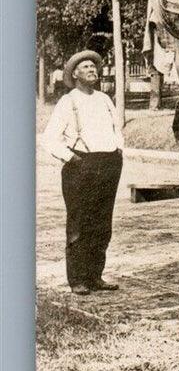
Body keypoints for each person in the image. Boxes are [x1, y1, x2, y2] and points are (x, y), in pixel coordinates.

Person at [42, 50, 125, 295]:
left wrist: (118, 148)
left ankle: (95, 275)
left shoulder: (104, 99)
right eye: (86, 67)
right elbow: (49, 139)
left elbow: (114, 128)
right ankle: (77, 279)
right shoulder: (69, 102)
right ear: (75, 74)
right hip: (81, 165)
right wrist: (72, 158)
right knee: (79, 224)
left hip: (108, 163)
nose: (92, 70)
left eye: (94, 66)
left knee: (102, 223)